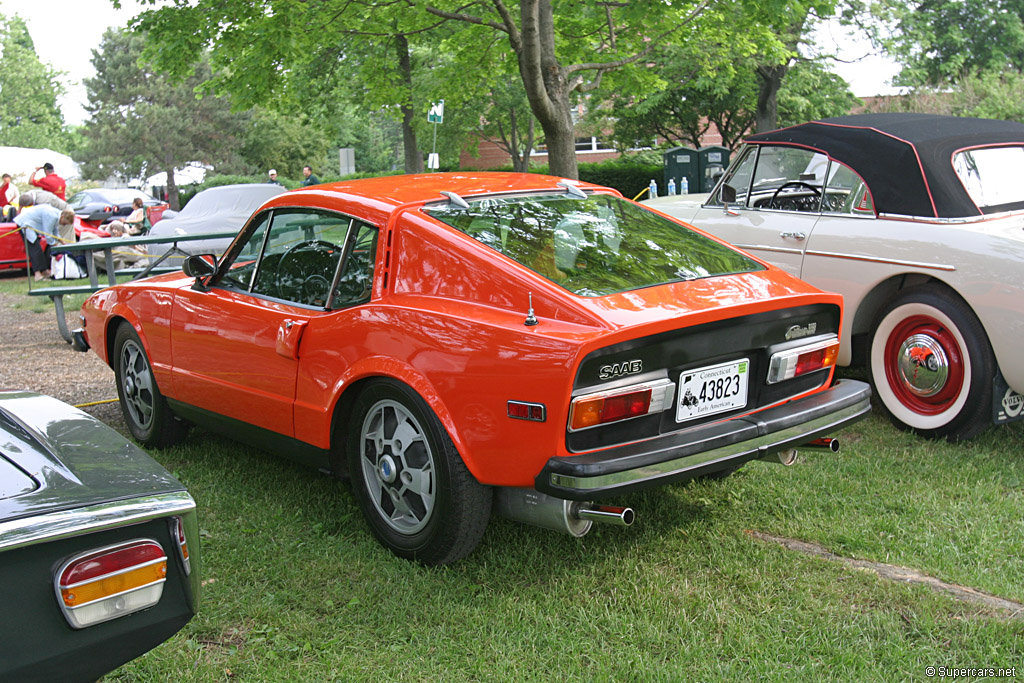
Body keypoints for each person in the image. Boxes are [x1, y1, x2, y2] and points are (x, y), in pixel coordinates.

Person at [14, 195, 60, 280]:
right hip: (24, 224)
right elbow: (48, 233)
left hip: (29, 224)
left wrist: (59, 240)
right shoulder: (52, 214)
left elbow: (54, 230)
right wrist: (54, 243)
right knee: (34, 248)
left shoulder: (55, 214)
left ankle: (45, 271)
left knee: (37, 248)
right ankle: (37, 274)